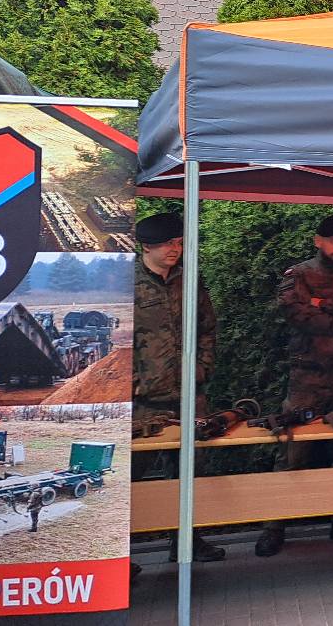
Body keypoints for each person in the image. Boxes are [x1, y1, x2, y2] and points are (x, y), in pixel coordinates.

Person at [256, 215, 333, 557]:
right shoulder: (298, 276)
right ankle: (274, 526)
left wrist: (322, 303)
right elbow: (300, 317)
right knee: (292, 451)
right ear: (318, 241)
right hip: (308, 378)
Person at [131, 211, 224, 563]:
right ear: (147, 246)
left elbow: (207, 329)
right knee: (130, 478)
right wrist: (132, 382)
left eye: (180, 242)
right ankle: (120, 555)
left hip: (188, 396)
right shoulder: (127, 284)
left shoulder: (190, 280)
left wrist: (202, 367)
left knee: (190, 473)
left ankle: (186, 542)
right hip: (143, 402)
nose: (175, 249)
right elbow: (117, 339)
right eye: (168, 243)